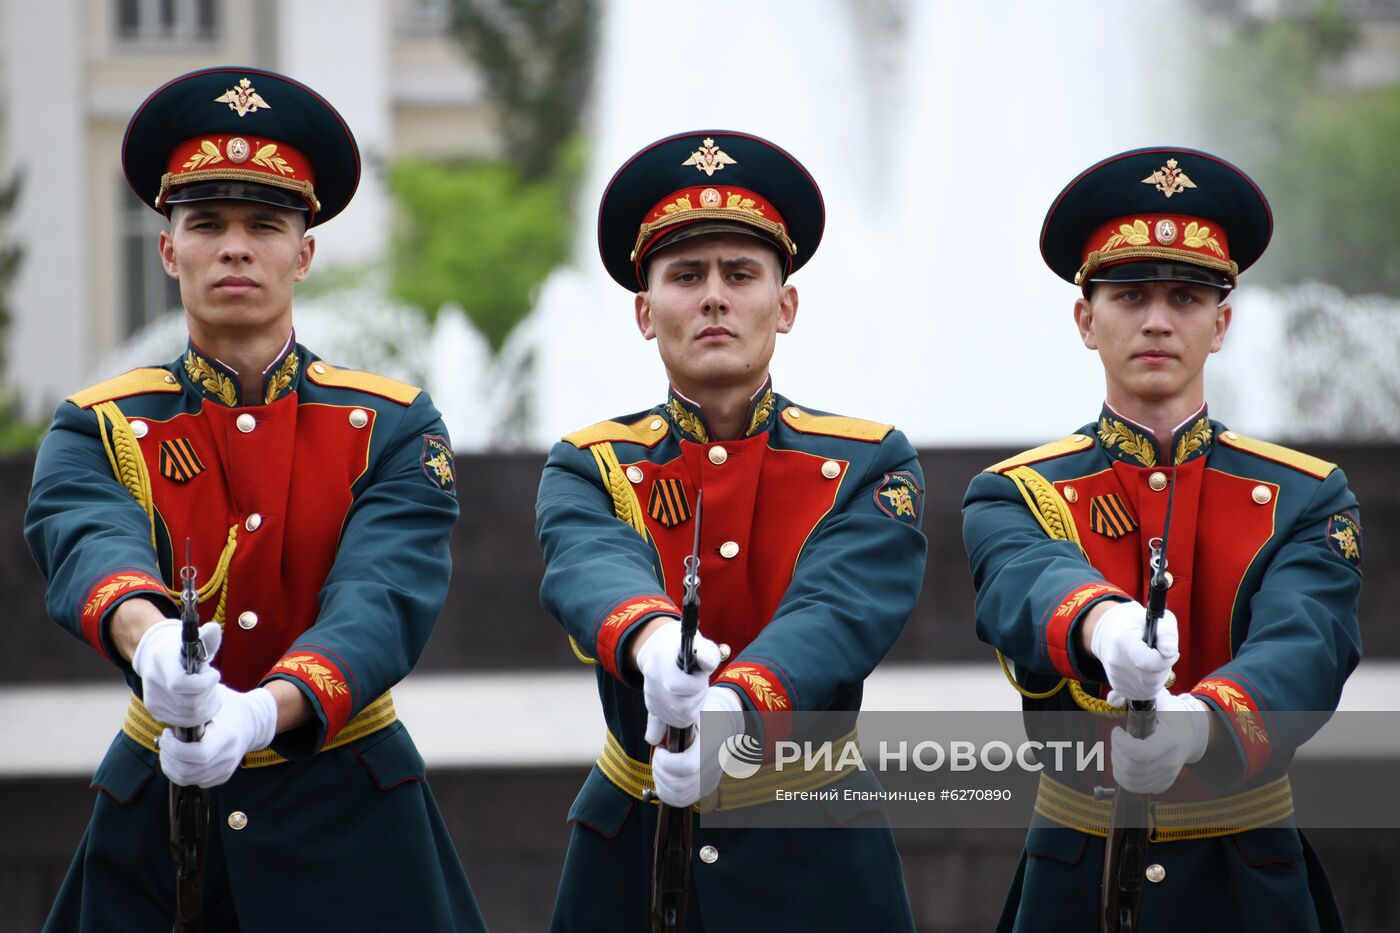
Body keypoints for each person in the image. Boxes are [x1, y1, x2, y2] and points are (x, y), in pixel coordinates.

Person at [24, 66, 486, 932]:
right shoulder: (102, 424)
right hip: (157, 821)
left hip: (352, 817)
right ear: (168, 249)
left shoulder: (389, 424)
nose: (235, 246)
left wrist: (263, 709)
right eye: (206, 223)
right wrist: (151, 636)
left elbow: (380, 600)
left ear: (303, 253)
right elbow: (88, 537)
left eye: (265, 224)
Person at [535, 130, 927, 931]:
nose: (714, 296)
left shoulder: (869, 462)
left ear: (784, 306)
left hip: (815, 847)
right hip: (633, 842)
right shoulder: (588, 463)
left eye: (740, 274)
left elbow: (838, 612)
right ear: (646, 313)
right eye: (686, 276)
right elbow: (590, 566)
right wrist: (651, 645)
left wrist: (733, 707)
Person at [962, 146, 1362, 931]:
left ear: (1222, 323)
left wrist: (1201, 725)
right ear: (1086, 319)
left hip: (1247, 876)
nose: (1155, 319)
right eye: (1130, 294)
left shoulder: (1306, 495)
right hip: (1074, 873)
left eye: (1185, 296)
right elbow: (1023, 580)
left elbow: (1308, 645)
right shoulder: (1015, 490)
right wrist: (1099, 622)